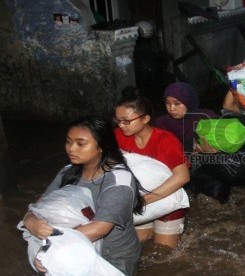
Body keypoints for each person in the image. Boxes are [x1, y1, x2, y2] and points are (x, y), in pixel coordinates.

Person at [22, 116, 144, 276]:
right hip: (70, 250)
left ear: (101, 146)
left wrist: (50, 247)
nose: (71, 148)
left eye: (81, 143)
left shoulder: (118, 181)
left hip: (113, 258)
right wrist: (30, 221)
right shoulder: (67, 172)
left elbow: (99, 229)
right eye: (68, 141)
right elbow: (38, 207)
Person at [114, 86, 190, 248]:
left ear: (145, 118)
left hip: (166, 198)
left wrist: (143, 201)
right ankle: (150, 228)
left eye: (127, 121)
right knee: (133, 246)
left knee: (163, 251)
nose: (121, 125)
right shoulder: (117, 137)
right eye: (118, 120)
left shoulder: (166, 140)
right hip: (138, 199)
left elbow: (183, 176)